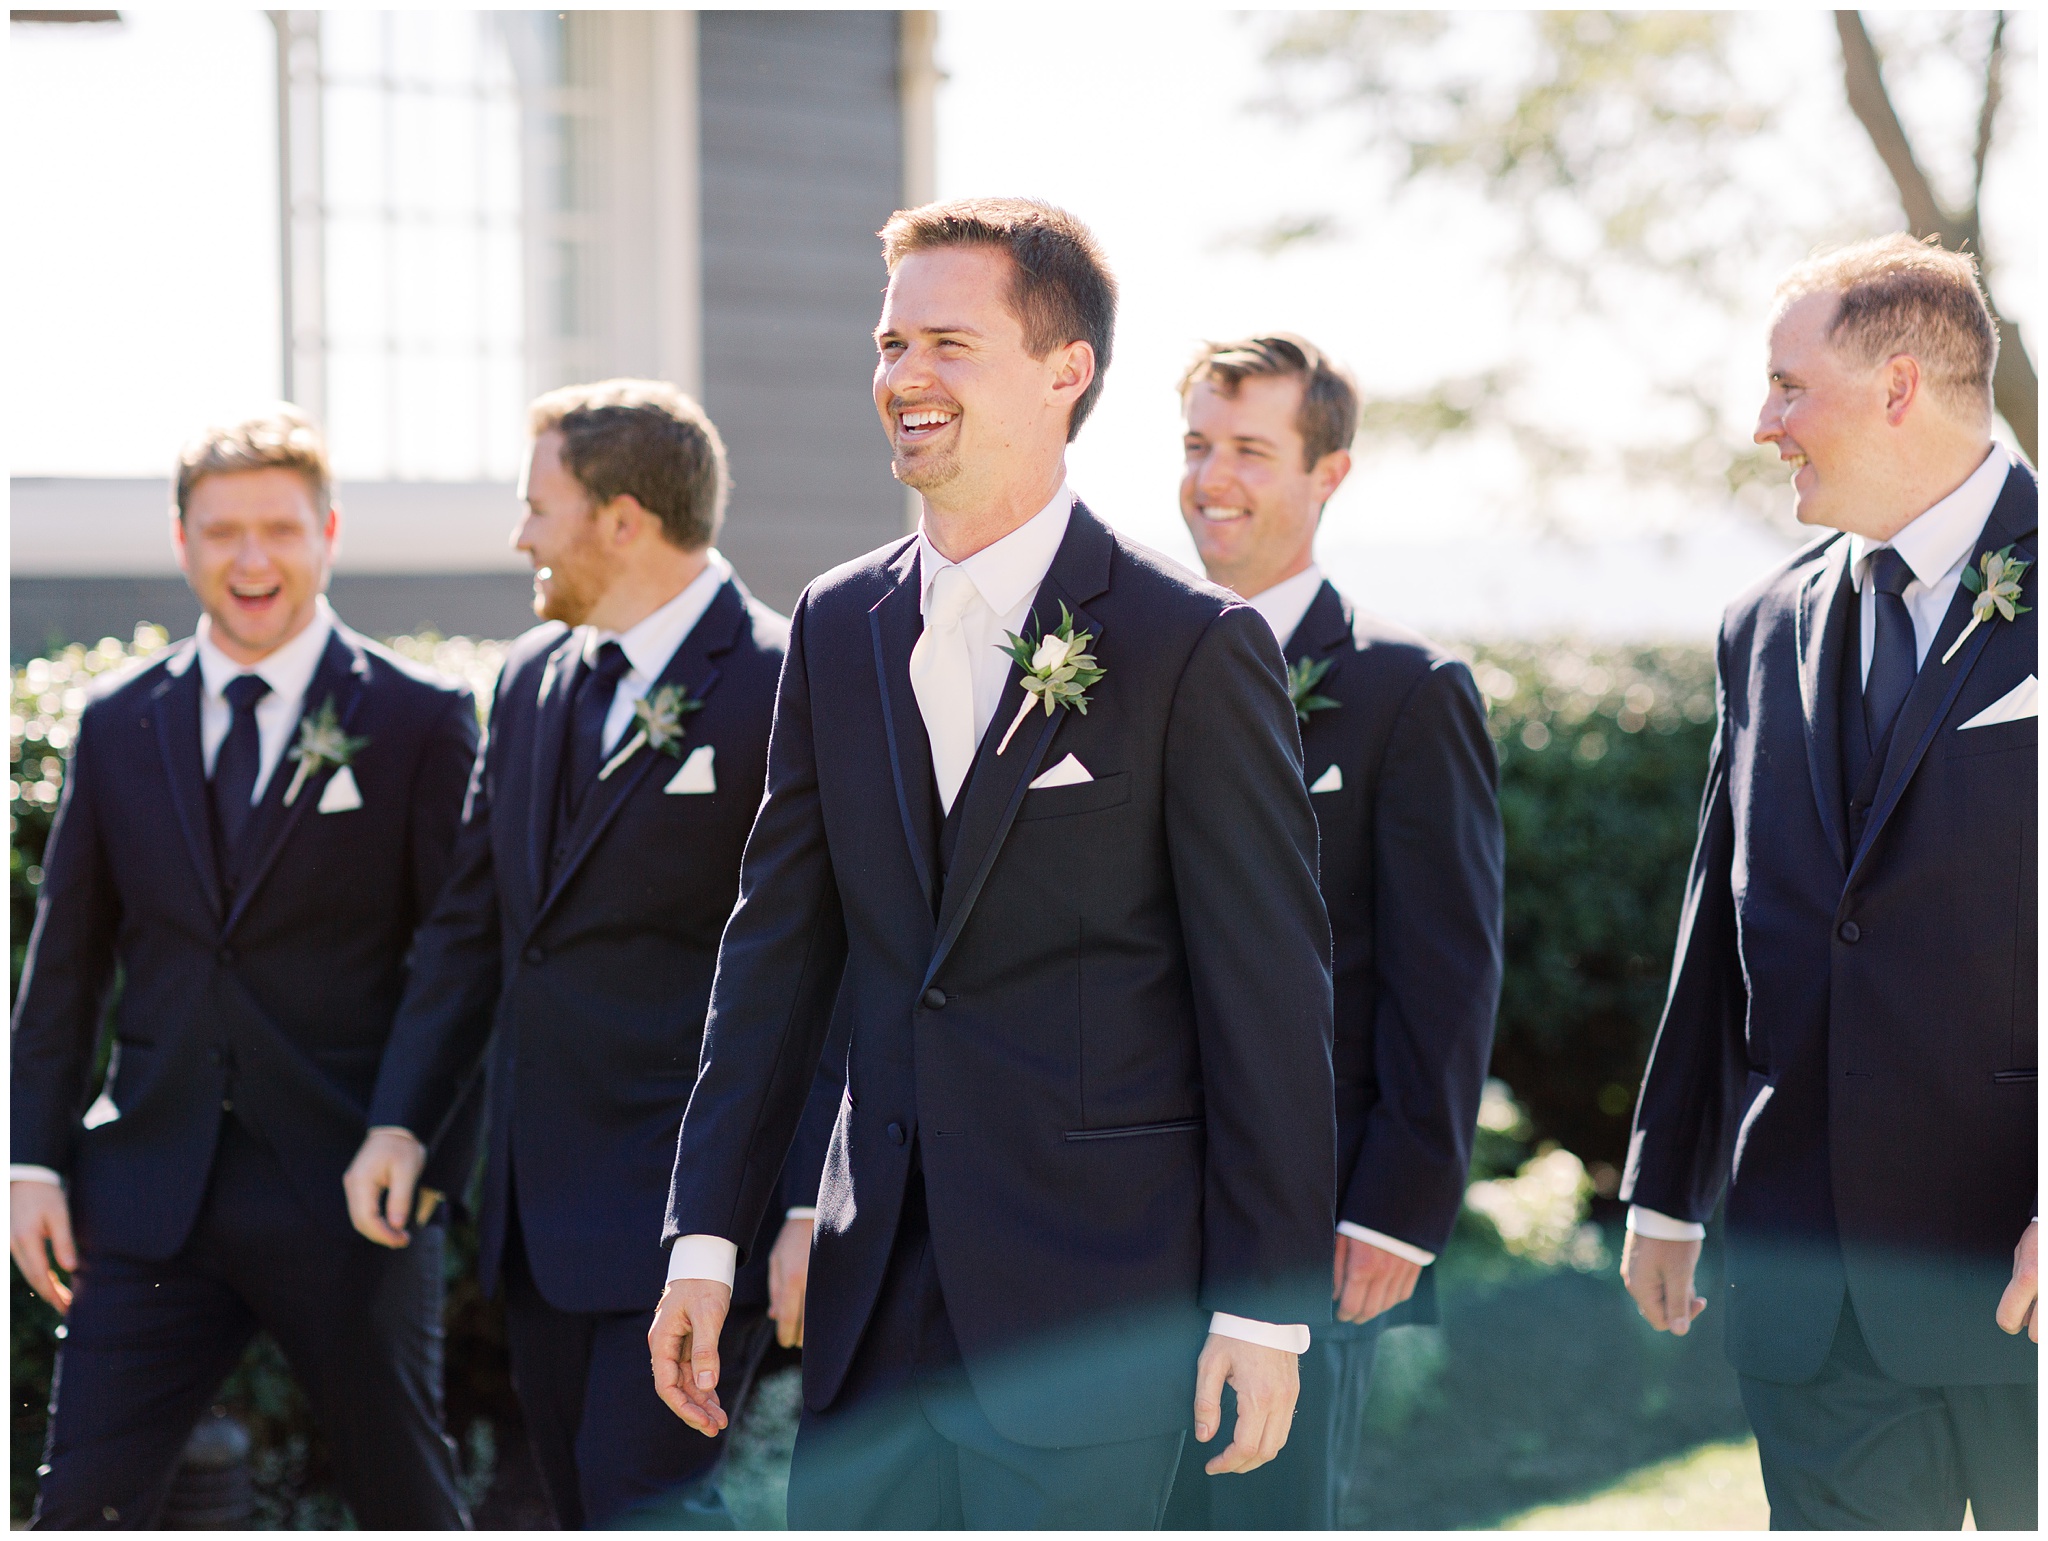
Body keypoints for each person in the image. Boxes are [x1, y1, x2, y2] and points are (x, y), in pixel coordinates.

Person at [648, 197, 1337, 1529]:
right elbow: (774, 953)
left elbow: (1266, 1001)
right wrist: (707, 1236)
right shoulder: (837, 625)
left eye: (948, 344)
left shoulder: (1191, 645)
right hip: (868, 1308)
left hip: (1093, 1317)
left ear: (1064, 370)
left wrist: (1263, 1307)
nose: (905, 374)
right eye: (891, 343)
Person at [1620, 235, 2036, 1529]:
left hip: (2019, 1263)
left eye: (1788, 386)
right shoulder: (1760, 624)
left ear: (1898, 386)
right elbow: (1723, 907)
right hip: (1812, 1286)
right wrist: (1665, 1179)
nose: (1764, 424)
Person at [9, 407, 478, 1529]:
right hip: (149, 1190)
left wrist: (417, 1139)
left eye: (279, 527)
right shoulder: (119, 723)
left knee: (407, 1501)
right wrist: (29, 1157)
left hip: (349, 1189)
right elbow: (65, 960)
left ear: (328, 533)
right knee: (80, 1506)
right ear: (182, 542)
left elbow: (461, 962)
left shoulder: (417, 720)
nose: (251, 558)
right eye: (222, 531)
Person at [342, 381, 791, 1528]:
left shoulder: (782, 679)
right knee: (583, 1504)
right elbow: (473, 925)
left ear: (623, 519)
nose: (519, 535)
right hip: (539, 1215)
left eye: (537, 507)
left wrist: (799, 1205)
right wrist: (402, 1118)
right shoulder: (530, 678)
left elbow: (829, 960)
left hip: (692, 1211)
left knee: (646, 1502)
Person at [1161, 335, 1504, 1528]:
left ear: (1329, 473)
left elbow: (1446, 971)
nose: (1212, 478)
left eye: (1250, 450)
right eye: (1197, 445)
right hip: (1123, 1206)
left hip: (1316, 1214)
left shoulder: (1406, 689)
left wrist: (1396, 1203)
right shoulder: (1124, 667)